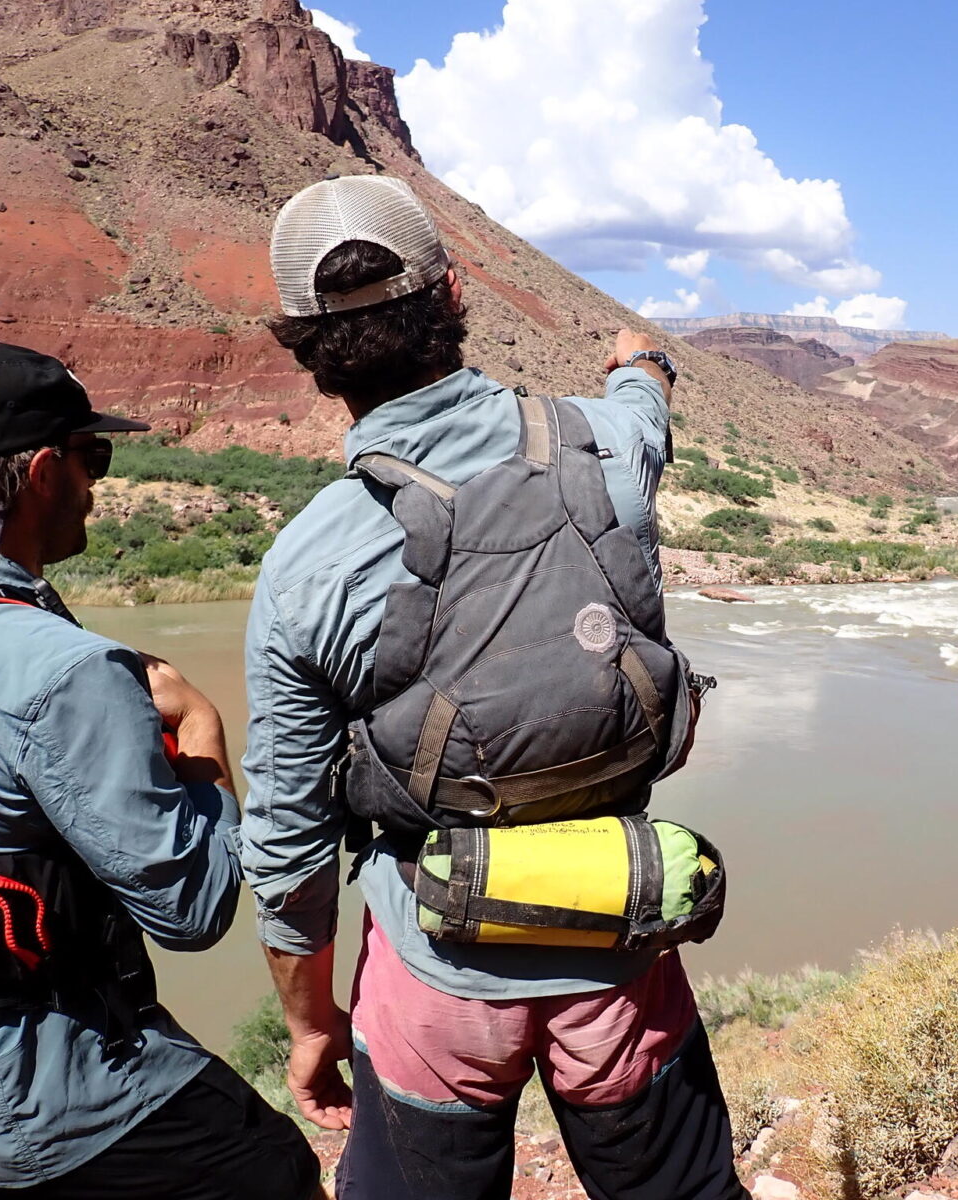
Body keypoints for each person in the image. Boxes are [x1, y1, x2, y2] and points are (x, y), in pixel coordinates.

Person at [241, 175, 747, 1200]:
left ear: (304, 350)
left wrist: (307, 1025)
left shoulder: (306, 562)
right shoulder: (602, 446)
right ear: (458, 292)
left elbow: (287, 844)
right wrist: (641, 361)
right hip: (620, 948)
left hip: (431, 973)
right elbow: (642, 409)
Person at [0, 339, 319, 1199]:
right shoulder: (63, 670)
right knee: (281, 1169)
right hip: (61, 1094)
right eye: (95, 457)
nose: (99, 482)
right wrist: (203, 732)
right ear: (45, 473)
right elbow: (194, 910)